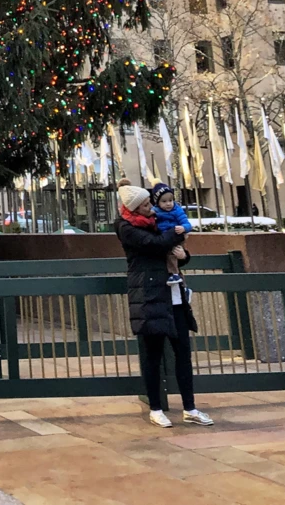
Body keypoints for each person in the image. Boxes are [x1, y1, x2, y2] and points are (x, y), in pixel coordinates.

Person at [115, 183, 213, 428]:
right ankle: (156, 408)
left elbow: (173, 249)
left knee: (182, 351)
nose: (151, 208)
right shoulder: (127, 227)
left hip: (174, 292)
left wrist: (184, 256)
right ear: (135, 208)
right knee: (153, 354)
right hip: (149, 294)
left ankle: (189, 407)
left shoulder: (158, 220)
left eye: (151, 204)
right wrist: (179, 233)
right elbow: (155, 245)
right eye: (146, 205)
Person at [149, 182, 193, 283]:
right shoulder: (156, 211)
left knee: (173, 254)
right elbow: (150, 212)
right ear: (157, 202)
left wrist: (183, 228)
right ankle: (177, 278)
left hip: (176, 235)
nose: (168, 203)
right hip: (165, 236)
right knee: (169, 254)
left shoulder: (177, 210)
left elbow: (187, 224)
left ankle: (175, 275)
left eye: (170, 200)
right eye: (164, 201)